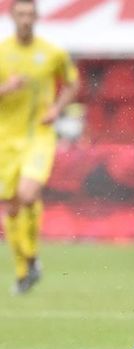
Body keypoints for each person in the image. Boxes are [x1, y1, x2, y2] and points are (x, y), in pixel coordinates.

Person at [0, 0, 79, 294]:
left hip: (39, 135)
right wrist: (6, 89)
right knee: (11, 206)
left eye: (29, 14)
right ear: (12, 16)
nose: (25, 19)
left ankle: (31, 260)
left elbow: (72, 84)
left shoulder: (53, 53)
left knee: (27, 193)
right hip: (5, 139)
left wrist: (57, 108)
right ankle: (26, 267)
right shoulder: (2, 52)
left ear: (36, 17)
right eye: (20, 14)